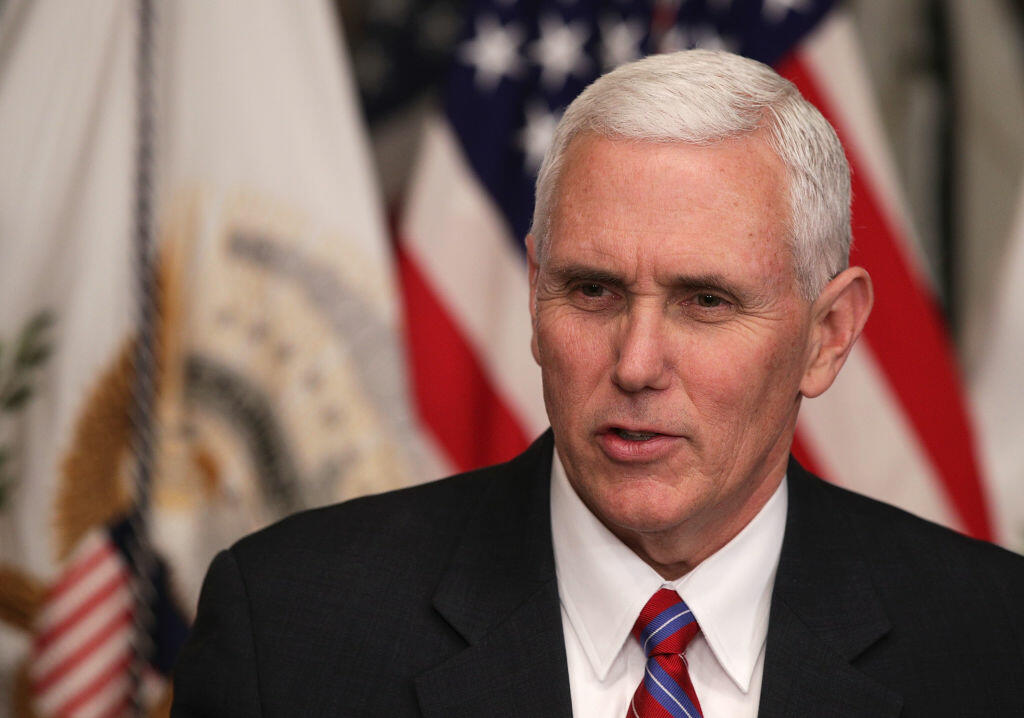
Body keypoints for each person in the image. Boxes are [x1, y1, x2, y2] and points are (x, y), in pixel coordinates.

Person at [171, 50, 1024, 717]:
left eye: (705, 301)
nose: (637, 363)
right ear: (536, 293)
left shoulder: (993, 644)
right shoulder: (288, 630)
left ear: (827, 337)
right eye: (592, 290)